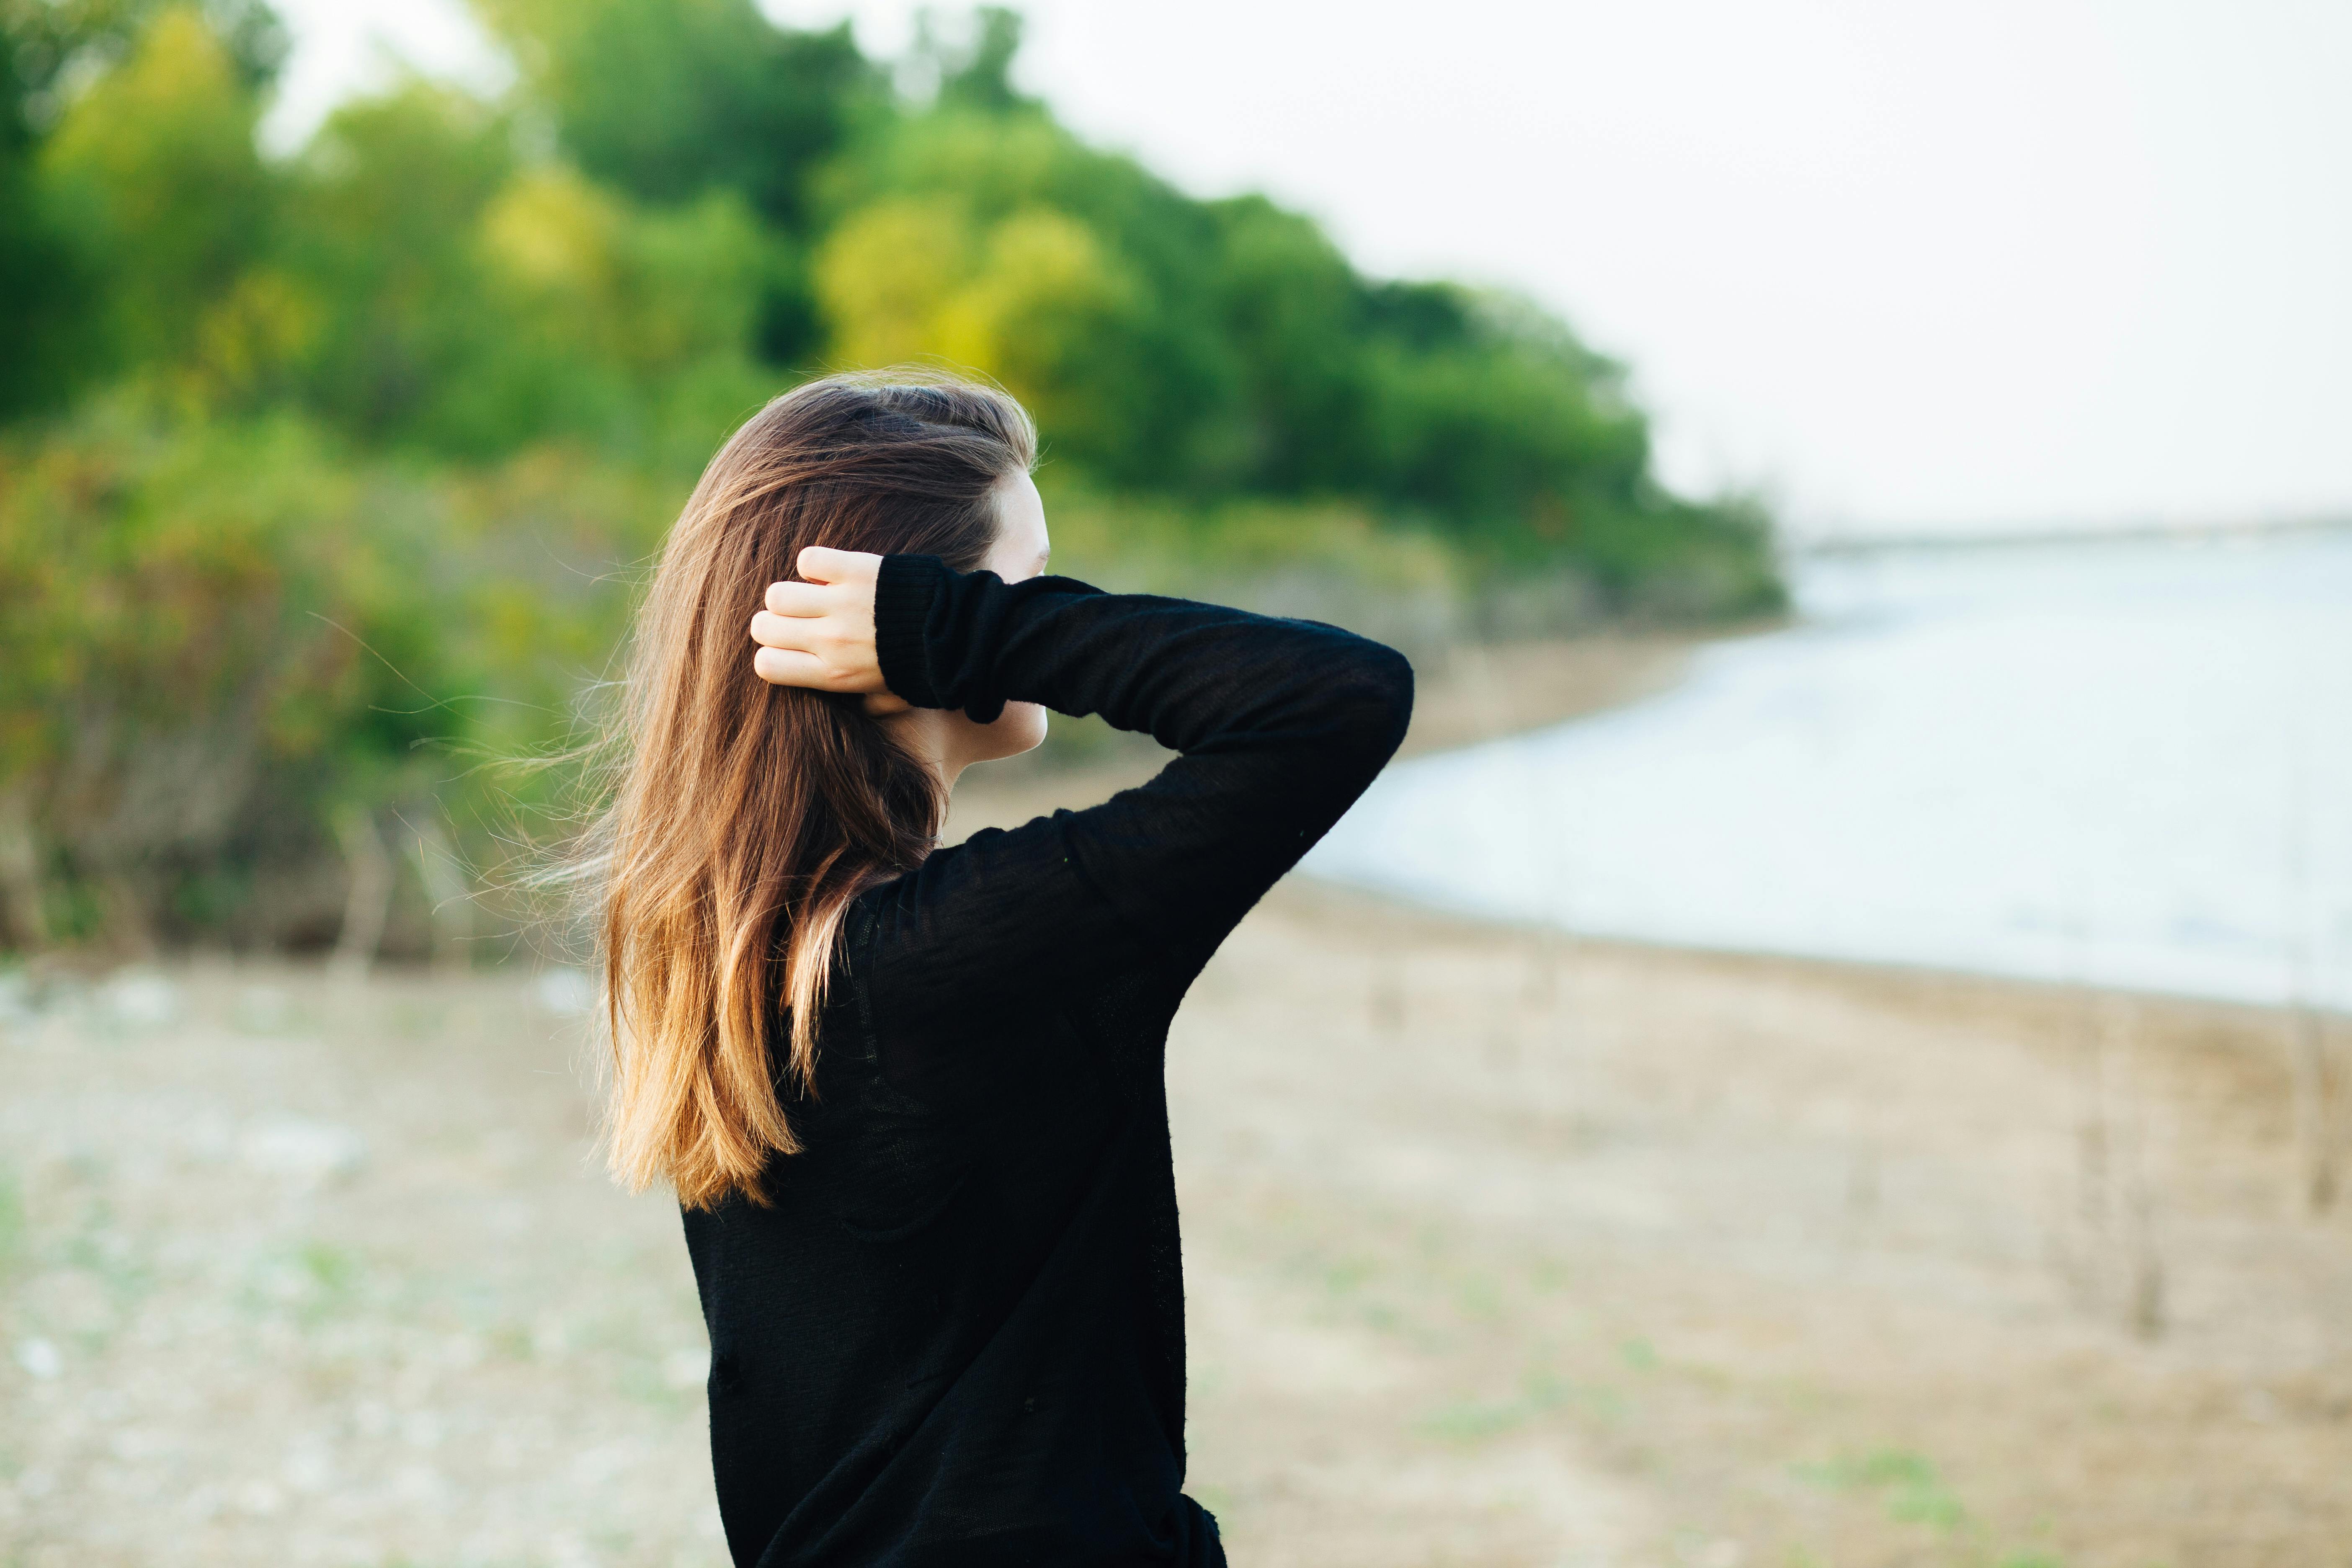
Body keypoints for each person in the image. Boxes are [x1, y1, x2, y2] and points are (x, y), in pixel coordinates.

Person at [590, 371, 1414, 1566]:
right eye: (1033, 585)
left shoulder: (731, 962)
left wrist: (959, 618)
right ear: (899, 612)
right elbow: (1336, 698)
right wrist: (958, 632)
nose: (1053, 612)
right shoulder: (960, 961)